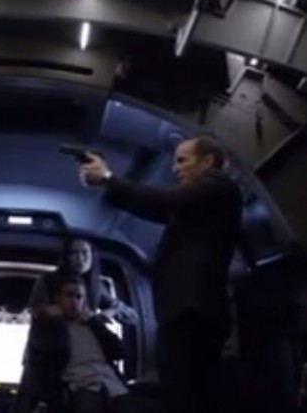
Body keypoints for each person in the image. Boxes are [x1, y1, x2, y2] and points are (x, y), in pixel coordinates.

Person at [77, 136, 243, 413]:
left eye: (182, 161)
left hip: (194, 310)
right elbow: (151, 206)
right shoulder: (198, 206)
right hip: (187, 310)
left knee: (185, 394)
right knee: (179, 391)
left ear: (208, 162)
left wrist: (108, 177)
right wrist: (108, 185)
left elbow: (164, 200)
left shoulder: (218, 187)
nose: (175, 169)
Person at [25, 275, 154, 413]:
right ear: (57, 298)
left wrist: (94, 323)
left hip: (111, 384)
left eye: (79, 297)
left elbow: (119, 351)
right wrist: (55, 320)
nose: (74, 301)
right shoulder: (50, 327)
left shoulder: (92, 324)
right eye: (69, 295)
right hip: (78, 386)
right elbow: (51, 353)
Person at [29, 238, 138, 326]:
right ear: (67, 257)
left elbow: (132, 317)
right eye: (75, 253)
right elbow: (36, 311)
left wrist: (113, 310)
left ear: (92, 256)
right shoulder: (48, 280)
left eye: (84, 253)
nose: (80, 258)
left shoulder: (97, 286)